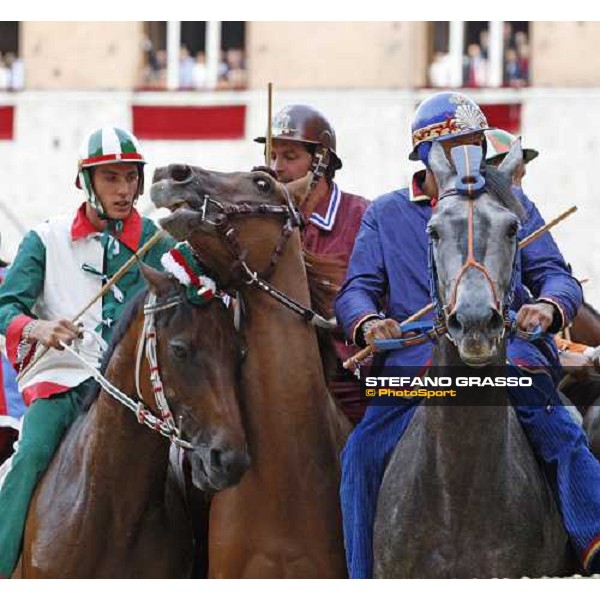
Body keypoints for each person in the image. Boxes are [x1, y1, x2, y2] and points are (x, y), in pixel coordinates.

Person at [335, 91, 600, 577]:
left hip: (509, 359)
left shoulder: (512, 204)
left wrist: (545, 305)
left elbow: (556, 276)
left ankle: (594, 539)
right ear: (427, 156)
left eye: (475, 145)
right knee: (359, 455)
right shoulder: (386, 213)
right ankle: (361, 577)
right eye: (458, 147)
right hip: (414, 372)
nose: (469, 159)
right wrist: (370, 322)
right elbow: (357, 290)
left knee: (562, 430)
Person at [0, 126, 174, 577]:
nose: (124, 189)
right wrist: (38, 327)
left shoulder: (157, 241)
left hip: (140, 393)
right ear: (87, 182)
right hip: (64, 381)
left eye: (131, 178)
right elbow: (6, 307)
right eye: (111, 178)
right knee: (33, 451)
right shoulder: (44, 239)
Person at [255, 104, 370, 424]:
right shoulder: (262, 222)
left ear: (321, 161)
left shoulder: (364, 217)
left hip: (351, 377)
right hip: (278, 376)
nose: (277, 168)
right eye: (272, 156)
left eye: (290, 157)